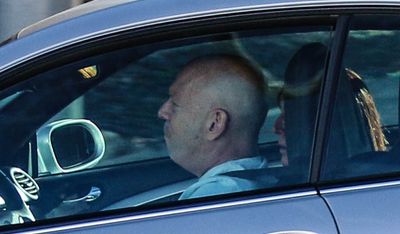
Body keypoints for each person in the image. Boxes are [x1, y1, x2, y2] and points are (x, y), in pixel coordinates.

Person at [108, 51, 276, 207]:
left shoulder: (215, 198)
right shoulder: (249, 184)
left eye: (175, 103)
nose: (162, 112)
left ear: (214, 124)